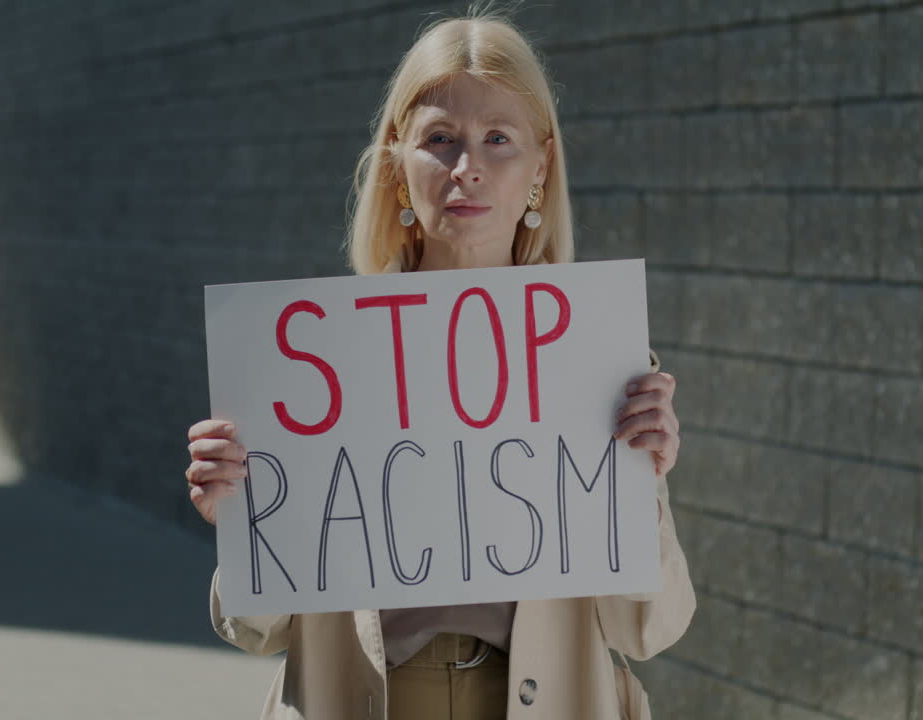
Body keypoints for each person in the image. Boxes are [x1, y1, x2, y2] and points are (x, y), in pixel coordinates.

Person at [184, 9, 694, 719]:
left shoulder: (596, 356)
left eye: (498, 139)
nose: (469, 167)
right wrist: (237, 513)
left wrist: (645, 490)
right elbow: (256, 629)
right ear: (397, 161)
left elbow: (649, 629)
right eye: (440, 139)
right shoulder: (316, 359)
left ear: (541, 165)